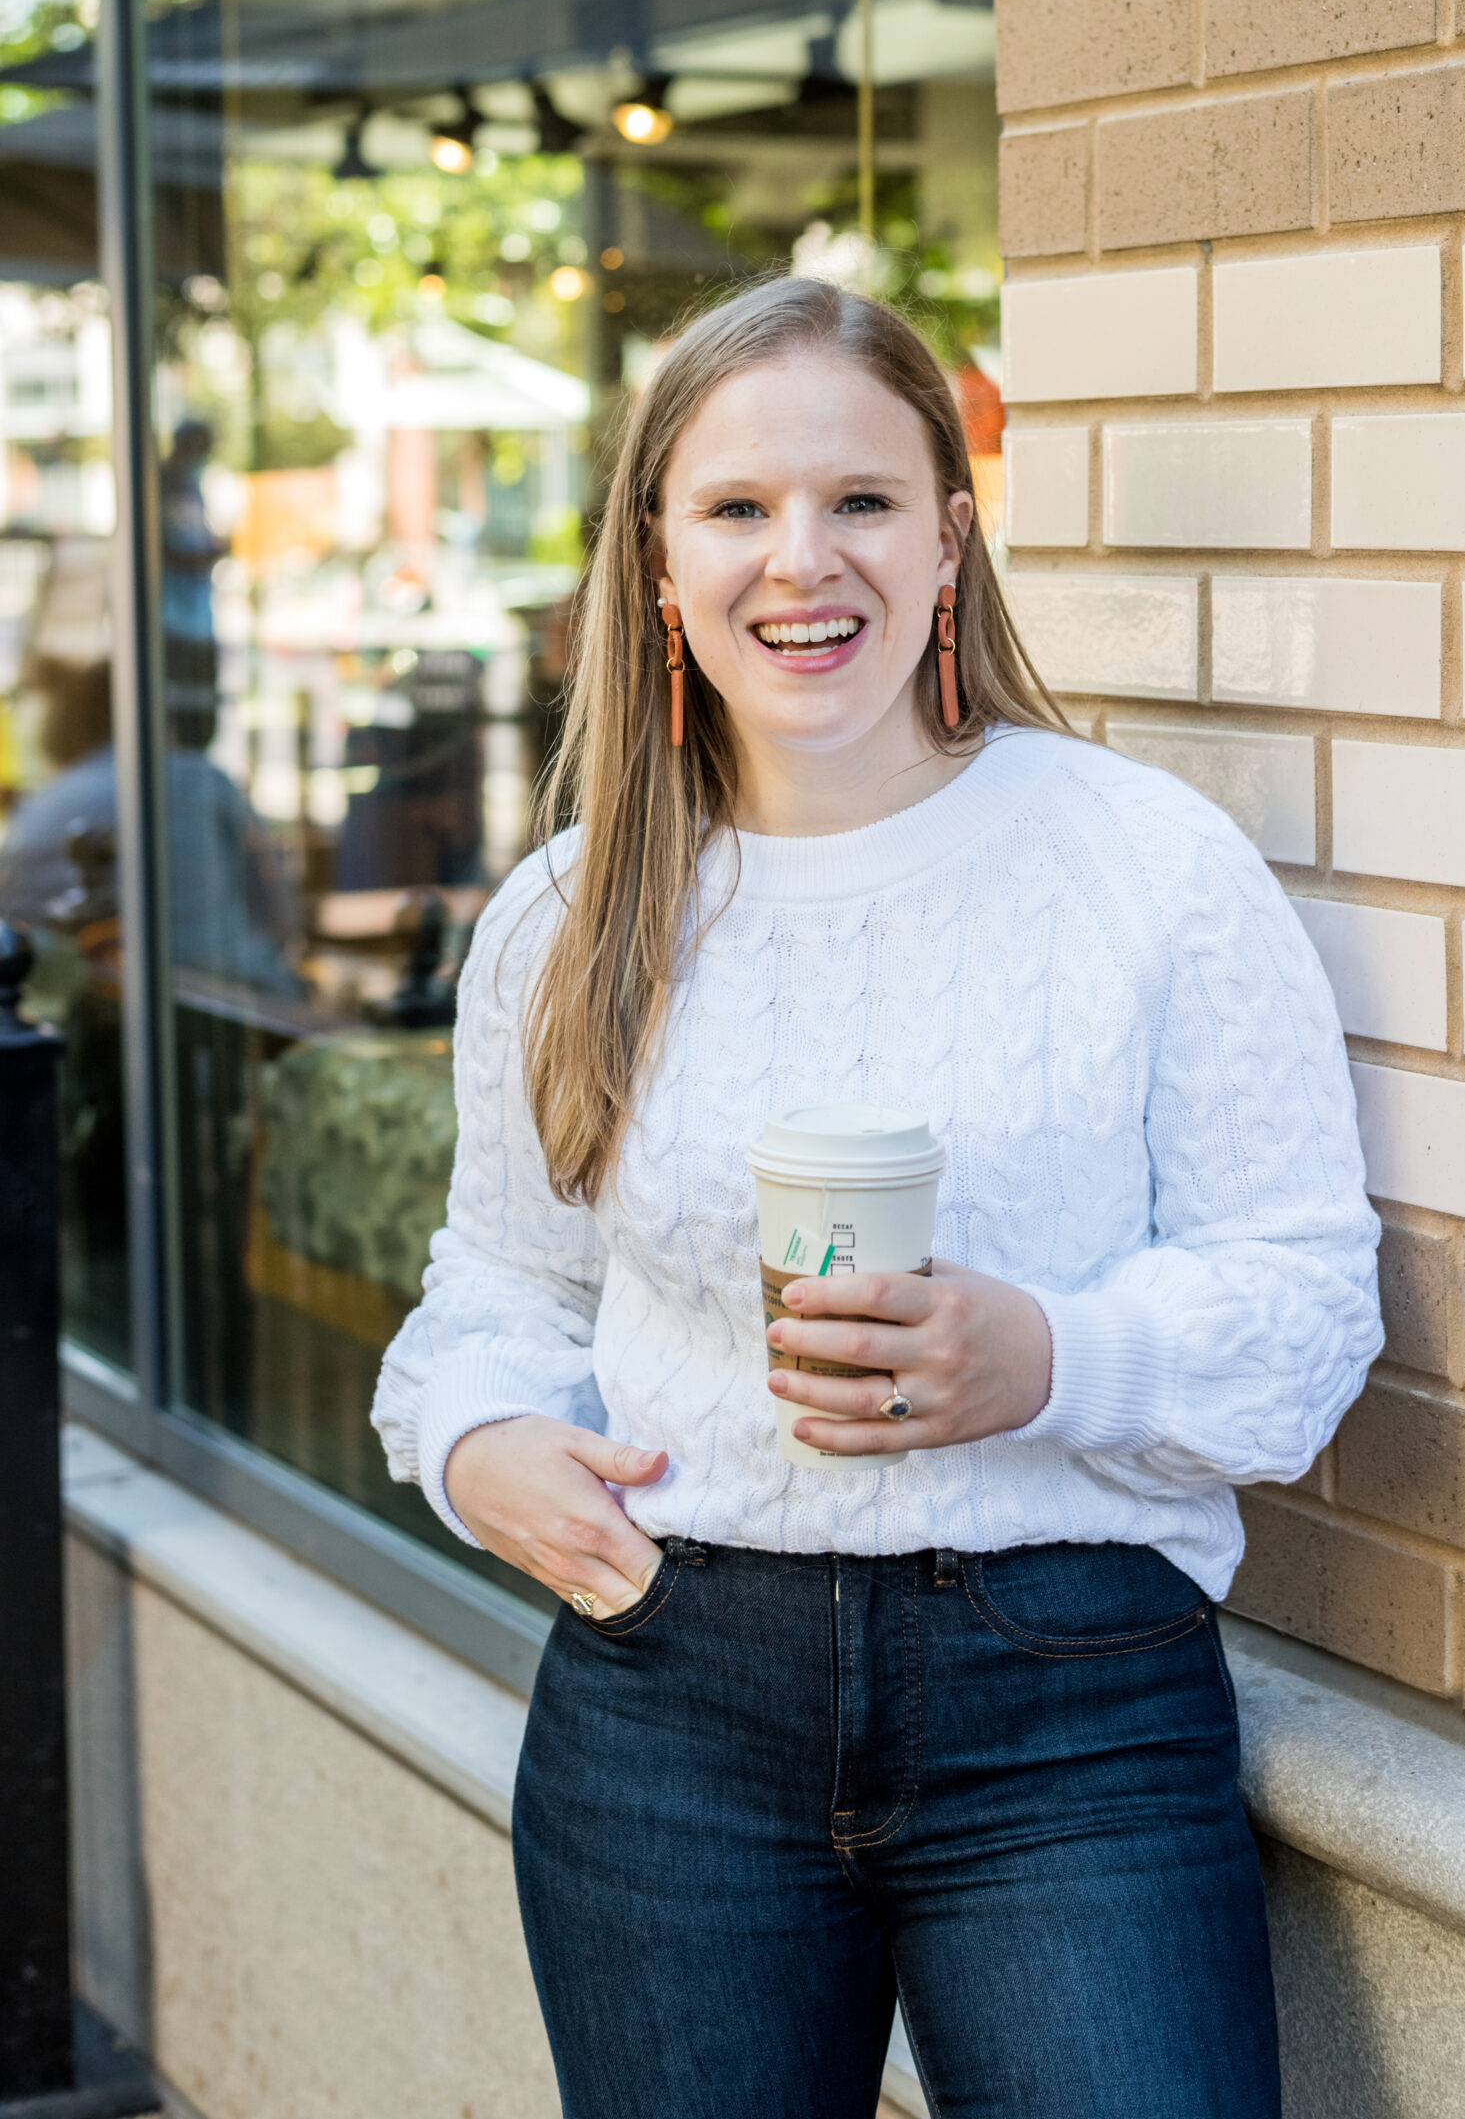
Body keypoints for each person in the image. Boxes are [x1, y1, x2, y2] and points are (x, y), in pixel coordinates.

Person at [372, 276, 1382, 2119]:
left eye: (860, 502)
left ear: (949, 538)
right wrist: (475, 1439)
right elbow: (497, 1286)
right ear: (658, 565)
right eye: (737, 509)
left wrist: (1049, 1357)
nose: (799, 561)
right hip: (665, 1692)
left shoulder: (1142, 865)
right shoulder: (567, 918)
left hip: (1066, 1699)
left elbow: (1307, 1312)